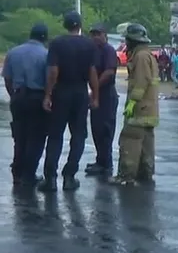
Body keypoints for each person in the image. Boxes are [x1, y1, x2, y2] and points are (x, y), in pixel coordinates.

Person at [39, 11, 99, 192]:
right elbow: (92, 73)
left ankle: (50, 179)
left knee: (55, 135)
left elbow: (53, 72)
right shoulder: (89, 45)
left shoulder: (57, 43)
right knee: (79, 135)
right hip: (80, 92)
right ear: (80, 26)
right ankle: (69, 176)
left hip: (61, 92)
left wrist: (48, 95)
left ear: (65, 25)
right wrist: (95, 96)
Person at [2, 23, 50, 186]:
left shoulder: (13, 52)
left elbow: (7, 78)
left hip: (18, 97)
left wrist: (13, 95)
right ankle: (29, 174)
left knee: (20, 137)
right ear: (45, 37)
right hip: (37, 98)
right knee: (36, 138)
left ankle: (17, 172)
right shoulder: (45, 54)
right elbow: (49, 80)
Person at [111, 23, 159, 186]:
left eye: (127, 39)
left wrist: (132, 102)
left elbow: (140, 82)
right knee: (146, 142)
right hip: (150, 109)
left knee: (130, 140)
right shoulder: (148, 55)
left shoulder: (139, 57)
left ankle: (126, 175)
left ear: (133, 40)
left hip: (139, 108)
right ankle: (145, 172)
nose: (126, 43)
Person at [85, 24, 119, 177]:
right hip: (96, 93)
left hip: (106, 94)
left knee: (105, 129)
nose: (95, 37)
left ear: (105, 35)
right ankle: (100, 160)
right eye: (92, 34)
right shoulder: (93, 51)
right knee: (96, 129)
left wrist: (95, 87)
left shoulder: (108, 50)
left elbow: (109, 71)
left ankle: (106, 164)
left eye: (97, 34)